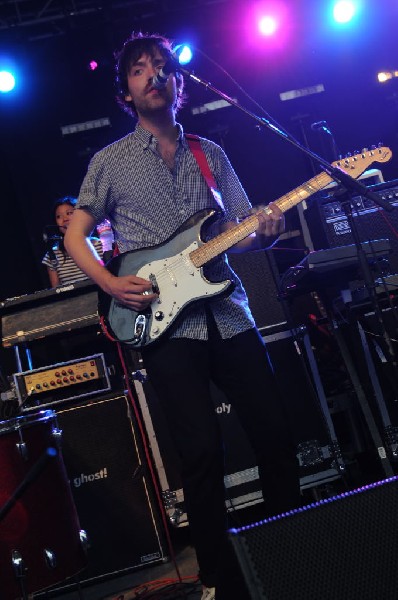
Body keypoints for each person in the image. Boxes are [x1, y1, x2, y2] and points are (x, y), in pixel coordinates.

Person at [64, 33, 301, 600]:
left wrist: (262, 232)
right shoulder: (110, 162)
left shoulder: (210, 153)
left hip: (230, 315)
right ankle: (220, 578)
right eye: (140, 70)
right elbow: (75, 234)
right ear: (125, 89)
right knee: (198, 454)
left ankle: (293, 553)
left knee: (273, 432)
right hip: (168, 326)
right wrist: (109, 282)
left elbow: (239, 233)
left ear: (178, 82)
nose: (153, 75)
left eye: (162, 67)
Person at [42, 196, 103, 287]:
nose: (64, 219)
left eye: (69, 213)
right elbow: (56, 290)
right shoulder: (52, 254)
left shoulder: (99, 244)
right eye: (59, 216)